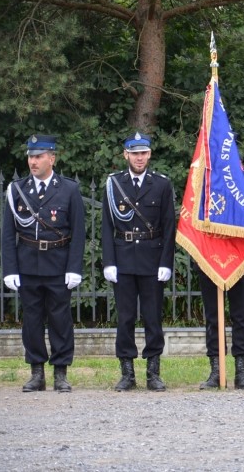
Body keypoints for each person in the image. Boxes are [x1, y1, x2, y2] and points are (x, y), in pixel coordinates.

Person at [1, 134, 86, 393]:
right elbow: (8, 233)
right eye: (30, 156)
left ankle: (61, 373)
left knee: (60, 320)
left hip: (58, 264)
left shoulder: (69, 189)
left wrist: (74, 268)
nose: (33, 161)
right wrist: (10, 270)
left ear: (52, 158)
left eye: (38, 156)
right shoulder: (17, 190)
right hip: (28, 264)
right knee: (32, 321)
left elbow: (78, 233)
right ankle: (36, 372)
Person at [101, 132, 177, 392]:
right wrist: (109, 261)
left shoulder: (162, 185)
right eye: (134, 153)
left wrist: (166, 262)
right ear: (126, 155)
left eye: (143, 153)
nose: (139, 158)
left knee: (153, 318)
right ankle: (127, 373)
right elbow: (106, 226)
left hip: (152, 258)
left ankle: (153, 373)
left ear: (149, 154)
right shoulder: (114, 184)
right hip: (122, 258)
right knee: (125, 318)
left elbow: (169, 226)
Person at [197, 161, 244, 390]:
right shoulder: (203, 178)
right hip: (211, 256)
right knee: (213, 317)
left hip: (240, 256)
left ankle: (241, 372)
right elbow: (192, 217)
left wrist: (233, 216)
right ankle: (216, 371)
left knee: (241, 316)